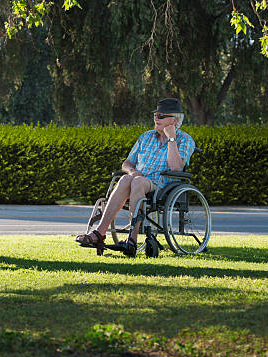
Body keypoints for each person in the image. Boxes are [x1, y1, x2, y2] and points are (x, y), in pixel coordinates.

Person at [75, 98, 196, 256]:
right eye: (155, 115)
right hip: (136, 182)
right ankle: (99, 233)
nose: (156, 118)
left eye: (160, 116)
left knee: (137, 181)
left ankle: (132, 240)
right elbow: (126, 163)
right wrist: (132, 171)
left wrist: (171, 138)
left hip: (162, 187)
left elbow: (176, 167)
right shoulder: (146, 137)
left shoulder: (185, 140)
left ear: (174, 120)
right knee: (126, 178)